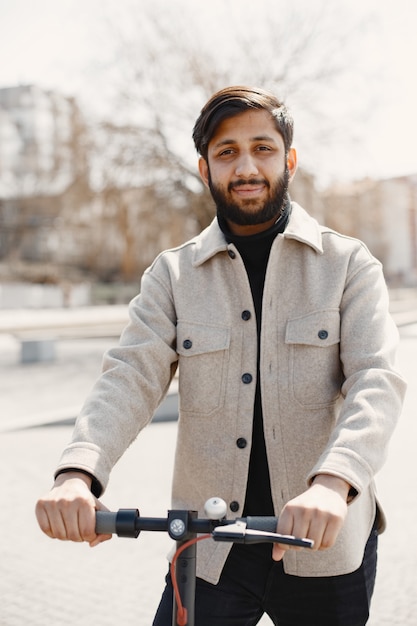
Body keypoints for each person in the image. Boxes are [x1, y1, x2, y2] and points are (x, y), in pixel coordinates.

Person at [36, 86, 406, 626]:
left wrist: (333, 485)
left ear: (290, 160)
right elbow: (129, 377)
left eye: (263, 148)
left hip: (321, 543)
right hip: (210, 551)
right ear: (205, 169)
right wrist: (78, 474)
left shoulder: (349, 264)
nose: (246, 166)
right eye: (227, 152)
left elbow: (378, 381)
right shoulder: (172, 274)